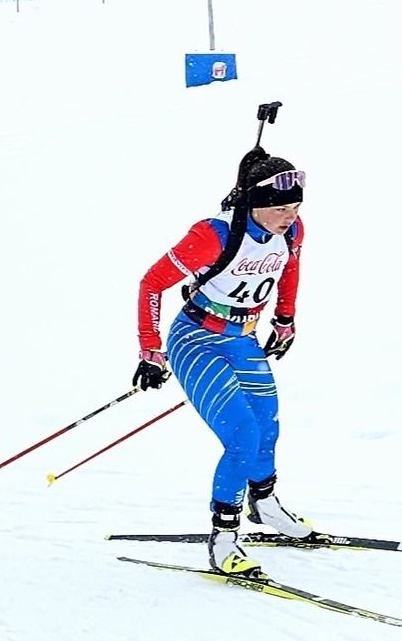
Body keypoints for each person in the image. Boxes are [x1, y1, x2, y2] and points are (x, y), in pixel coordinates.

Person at [135, 147, 316, 575]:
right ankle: (224, 538)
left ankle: (265, 504)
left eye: (295, 207)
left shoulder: (291, 231)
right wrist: (150, 350)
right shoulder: (212, 235)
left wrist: (285, 319)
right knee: (242, 436)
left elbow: (289, 269)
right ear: (255, 203)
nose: (290, 216)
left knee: (267, 424)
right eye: (280, 208)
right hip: (196, 341)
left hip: (242, 338)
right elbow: (152, 283)